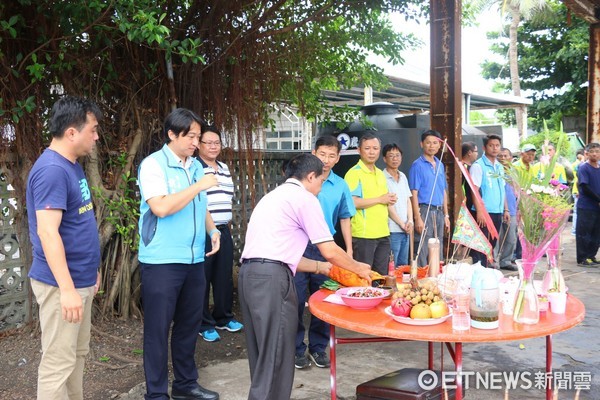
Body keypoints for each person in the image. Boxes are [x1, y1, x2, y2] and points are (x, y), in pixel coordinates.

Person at [239, 153, 371, 400]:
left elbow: (282, 254)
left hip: (251, 274)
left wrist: (322, 269)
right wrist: (358, 268)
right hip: (272, 281)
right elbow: (329, 249)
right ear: (310, 176)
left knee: (264, 356)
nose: (321, 189)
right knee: (277, 355)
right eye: (321, 181)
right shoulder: (304, 198)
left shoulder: (274, 197)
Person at [137, 108, 220, 400]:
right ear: (172, 134)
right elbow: (160, 207)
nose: (195, 142)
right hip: (162, 261)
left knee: (189, 325)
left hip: (195, 259)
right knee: (158, 330)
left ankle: (185, 384)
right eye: (191, 136)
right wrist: (198, 184)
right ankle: (157, 394)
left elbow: (201, 204)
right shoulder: (153, 165)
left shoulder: (195, 166)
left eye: (198, 136)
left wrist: (213, 231)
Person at [27, 96, 102, 400]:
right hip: (62, 287)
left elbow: (77, 225)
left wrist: (92, 271)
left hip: (80, 281)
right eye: (93, 130)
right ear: (72, 132)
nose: (96, 137)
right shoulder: (52, 170)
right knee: (58, 364)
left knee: (77, 356)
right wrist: (68, 289)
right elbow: (48, 233)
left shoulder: (72, 166)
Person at [294, 135, 356, 370]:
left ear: (338, 157)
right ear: (313, 153)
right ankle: (297, 348)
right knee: (297, 298)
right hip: (299, 245)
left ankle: (318, 348)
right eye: (322, 154)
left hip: (325, 248)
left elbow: (344, 217)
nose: (327, 160)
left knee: (323, 298)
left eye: (332, 155)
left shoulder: (340, 185)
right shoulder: (302, 181)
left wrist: (348, 250)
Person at [197, 124, 243, 343]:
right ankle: (203, 323)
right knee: (203, 277)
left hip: (223, 229)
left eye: (217, 143)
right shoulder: (195, 168)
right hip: (203, 230)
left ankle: (223, 317)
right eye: (209, 142)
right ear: (198, 144)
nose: (213, 146)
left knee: (223, 276)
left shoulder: (223, 167)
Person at [344, 133, 396, 275]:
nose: (372, 152)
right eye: (367, 148)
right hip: (364, 235)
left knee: (382, 277)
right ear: (359, 150)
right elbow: (353, 202)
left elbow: (385, 201)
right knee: (364, 277)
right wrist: (380, 199)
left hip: (383, 232)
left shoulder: (380, 173)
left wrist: (389, 200)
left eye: (375, 148)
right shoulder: (354, 173)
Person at [408, 130, 449, 267]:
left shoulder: (440, 164)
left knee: (438, 244)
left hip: (439, 211)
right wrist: (417, 217)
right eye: (428, 143)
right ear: (422, 144)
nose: (432, 146)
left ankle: (436, 276)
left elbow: (443, 190)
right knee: (423, 245)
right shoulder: (417, 165)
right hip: (425, 209)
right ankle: (421, 278)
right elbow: (414, 192)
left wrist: (446, 215)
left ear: (439, 145)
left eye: (435, 143)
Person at [469, 134, 508, 268]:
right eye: (491, 145)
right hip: (484, 213)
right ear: (484, 147)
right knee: (481, 246)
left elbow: (503, 190)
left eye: (497, 145)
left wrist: (506, 209)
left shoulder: (500, 167)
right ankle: (479, 272)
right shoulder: (478, 166)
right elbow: (474, 190)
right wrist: (479, 211)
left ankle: (486, 272)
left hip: (497, 212)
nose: (494, 148)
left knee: (491, 244)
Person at [383, 143, 413, 267]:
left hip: (406, 228)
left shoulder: (403, 177)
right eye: (391, 156)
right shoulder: (382, 177)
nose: (395, 159)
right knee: (391, 265)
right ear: (384, 159)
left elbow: (408, 200)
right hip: (393, 229)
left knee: (403, 265)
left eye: (397, 155)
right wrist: (401, 223)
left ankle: (402, 287)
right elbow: (387, 205)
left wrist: (410, 220)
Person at [575, 142, 600, 267]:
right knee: (584, 232)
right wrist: (598, 199)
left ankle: (591, 255)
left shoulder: (599, 168)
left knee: (596, 233)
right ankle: (582, 258)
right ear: (587, 153)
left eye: (597, 151)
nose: (595, 154)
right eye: (592, 151)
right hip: (586, 206)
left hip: (597, 207)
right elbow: (584, 186)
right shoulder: (584, 167)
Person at [495, 148, 518, 271]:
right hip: (498, 208)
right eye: (500, 156)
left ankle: (506, 260)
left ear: (510, 157)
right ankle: (494, 262)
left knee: (511, 238)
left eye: (505, 156)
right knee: (497, 237)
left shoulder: (514, 172)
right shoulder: (495, 170)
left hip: (513, 209)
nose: (502, 158)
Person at [461, 141, 478, 211]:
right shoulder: (462, 167)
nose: (477, 154)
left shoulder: (472, 166)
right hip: (467, 206)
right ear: (469, 153)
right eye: (476, 151)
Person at [571, 149, 585, 235]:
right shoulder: (577, 164)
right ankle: (575, 230)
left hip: (577, 190)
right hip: (577, 190)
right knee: (577, 212)